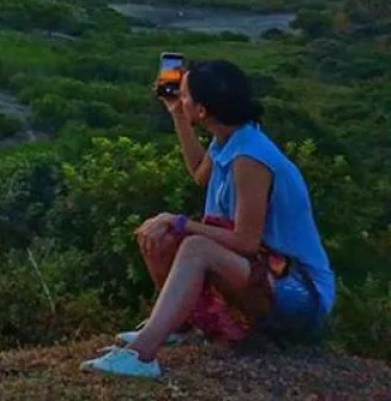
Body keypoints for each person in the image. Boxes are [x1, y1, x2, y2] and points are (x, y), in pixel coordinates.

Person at [82, 59, 335, 380]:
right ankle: (179, 326)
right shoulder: (230, 136)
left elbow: (246, 241)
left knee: (194, 246)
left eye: (185, 95)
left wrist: (180, 222)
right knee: (161, 237)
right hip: (266, 273)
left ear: (203, 110)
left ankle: (141, 356)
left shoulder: (250, 159)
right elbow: (201, 174)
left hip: (301, 295)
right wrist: (177, 114)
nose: (180, 97)